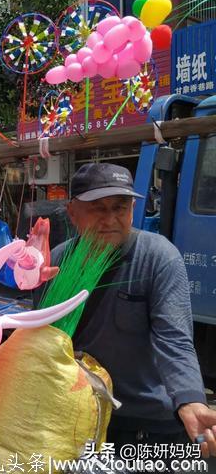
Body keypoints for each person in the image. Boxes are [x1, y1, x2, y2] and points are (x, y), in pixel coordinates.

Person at [48, 163, 216, 462]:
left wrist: (190, 399)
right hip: (80, 417)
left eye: (120, 207)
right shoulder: (59, 261)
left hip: (148, 425)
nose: (110, 219)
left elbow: (174, 339)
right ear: (72, 212)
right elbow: (47, 340)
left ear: (133, 208)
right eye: (98, 208)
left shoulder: (157, 257)